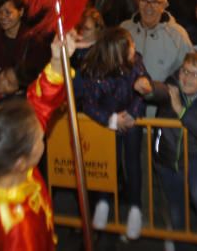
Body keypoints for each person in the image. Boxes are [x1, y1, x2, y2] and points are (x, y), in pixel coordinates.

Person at [0, 31, 75, 251]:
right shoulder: (17, 230)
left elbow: (40, 107)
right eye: (40, 139)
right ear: (21, 160)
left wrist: (57, 60)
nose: (43, 137)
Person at [73, 27, 152, 239]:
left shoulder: (136, 62)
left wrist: (132, 115)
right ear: (117, 52)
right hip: (107, 124)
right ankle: (103, 202)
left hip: (131, 122)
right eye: (130, 46)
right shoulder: (95, 70)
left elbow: (143, 90)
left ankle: (135, 207)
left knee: (132, 164)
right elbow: (89, 104)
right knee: (109, 163)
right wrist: (112, 120)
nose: (134, 48)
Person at [147, 52, 197, 251]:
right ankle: (177, 235)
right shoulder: (173, 87)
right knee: (175, 204)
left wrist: (180, 110)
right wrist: (146, 88)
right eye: (184, 71)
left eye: (194, 74)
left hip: (195, 158)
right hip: (166, 157)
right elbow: (159, 91)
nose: (187, 77)